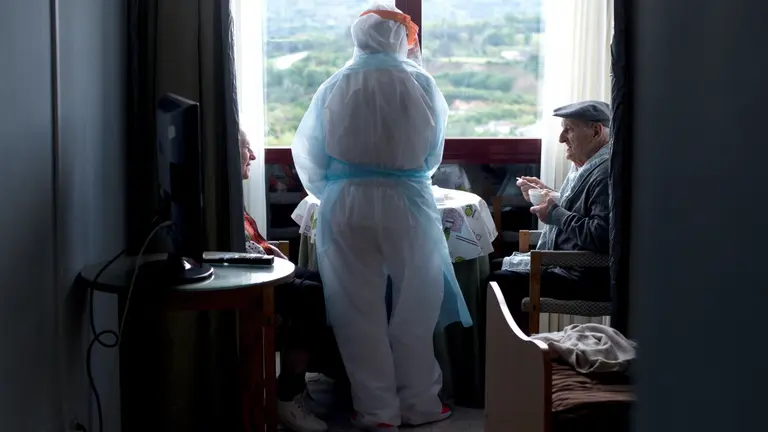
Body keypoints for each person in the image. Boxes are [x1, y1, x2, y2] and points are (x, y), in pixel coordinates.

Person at [290, 4, 472, 432]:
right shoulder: (420, 83)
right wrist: (403, 177)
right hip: (408, 200)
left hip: (347, 203)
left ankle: (377, 412)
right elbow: (432, 155)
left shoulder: (334, 85)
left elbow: (310, 154)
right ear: (400, 39)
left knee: (356, 309)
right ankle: (421, 403)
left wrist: (335, 191)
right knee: (417, 303)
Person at [240, 130, 346, 432]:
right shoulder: (220, 194)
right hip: (252, 277)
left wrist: (267, 249)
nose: (254, 156)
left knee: (331, 286)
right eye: (247, 149)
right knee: (311, 298)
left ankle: (301, 384)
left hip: (263, 264)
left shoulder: (230, 189)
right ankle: (286, 395)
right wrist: (268, 257)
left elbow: (247, 240)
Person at [489, 100, 612, 334]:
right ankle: (509, 352)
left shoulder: (605, 173)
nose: (561, 138)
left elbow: (600, 235)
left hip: (584, 275)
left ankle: (514, 354)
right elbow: (581, 207)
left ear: (596, 131)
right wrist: (548, 194)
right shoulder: (589, 166)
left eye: (569, 129)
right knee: (493, 266)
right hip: (568, 266)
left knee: (497, 280)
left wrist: (554, 213)